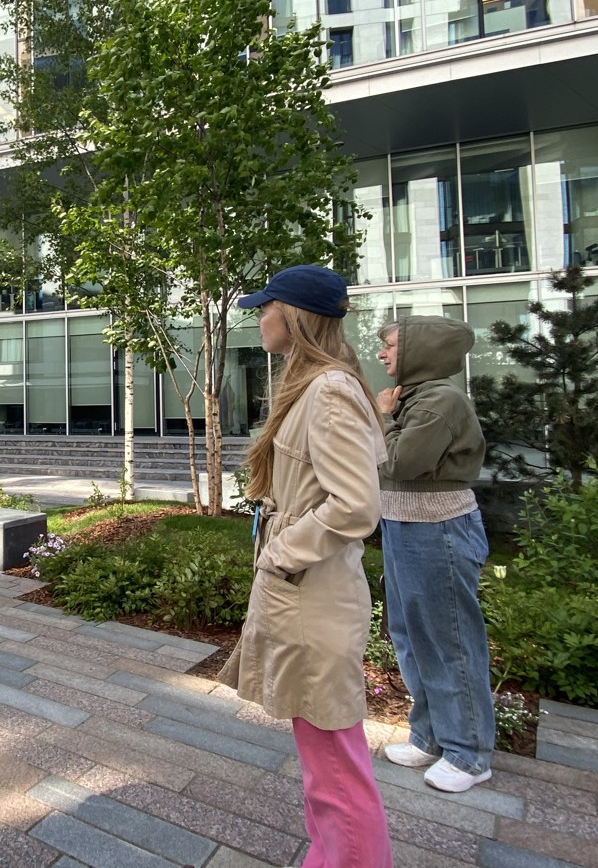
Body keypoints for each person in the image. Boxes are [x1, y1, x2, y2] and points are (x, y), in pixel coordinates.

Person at [221, 265, 393, 868]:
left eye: (266, 305)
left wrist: (282, 549)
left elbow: (356, 505)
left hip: (312, 595)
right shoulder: (318, 385)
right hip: (306, 592)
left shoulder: (328, 391)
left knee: (335, 768)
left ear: (292, 314)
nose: (258, 315)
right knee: (326, 760)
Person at [375, 315, 494, 793]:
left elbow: (402, 462)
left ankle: (468, 754)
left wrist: (383, 418)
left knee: (449, 641)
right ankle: (430, 735)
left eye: (391, 346)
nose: (382, 354)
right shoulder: (416, 397)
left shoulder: (441, 401)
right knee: (410, 635)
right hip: (405, 526)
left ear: (421, 350)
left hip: (437, 530)